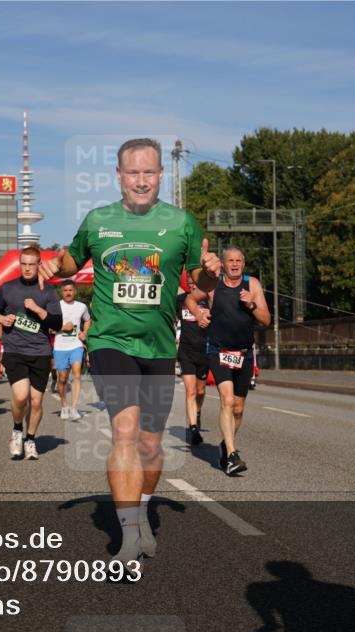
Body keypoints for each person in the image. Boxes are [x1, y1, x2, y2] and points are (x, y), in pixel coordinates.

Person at [40, 138, 221, 569]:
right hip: (109, 342)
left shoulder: (181, 223)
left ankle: (139, 511)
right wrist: (54, 265)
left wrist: (211, 276)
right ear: (118, 176)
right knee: (125, 431)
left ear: (161, 175)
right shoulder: (98, 220)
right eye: (132, 173)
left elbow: (199, 280)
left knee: (152, 446)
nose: (141, 181)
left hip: (159, 347)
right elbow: (72, 260)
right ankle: (127, 539)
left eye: (149, 172)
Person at [187, 246, 269, 475]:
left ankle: (227, 443)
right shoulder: (213, 284)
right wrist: (200, 314)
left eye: (239, 261)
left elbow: (266, 320)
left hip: (244, 353)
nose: (234, 264)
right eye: (230, 260)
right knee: (227, 400)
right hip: (218, 351)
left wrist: (251, 305)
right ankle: (232, 456)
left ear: (243, 264)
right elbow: (191, 300)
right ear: (222, 263)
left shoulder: (251, 284)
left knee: (239, 407)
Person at [0, 245, 63, 461]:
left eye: (32, 264)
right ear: (19, 264)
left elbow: (57, 323)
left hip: (40, 352)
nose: (27, 268)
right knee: (21, 396)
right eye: (23, 264)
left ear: (39, 265)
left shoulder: (48, 291)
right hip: (15, 350)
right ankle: (16, 431)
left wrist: (38, 309)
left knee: (37, 401)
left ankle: (30, 439)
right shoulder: (7, 288)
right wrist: (1, 319)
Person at [175, 274, 210, 445]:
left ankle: (197, 413)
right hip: (186, 350)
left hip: (204, 350)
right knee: (191, 391)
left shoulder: (208, 298)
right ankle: (193, 428)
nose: (190, 282)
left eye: (194, 279)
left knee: (201, 391)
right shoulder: (180, 299)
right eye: (188, 280)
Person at [53, 280, 91, 421]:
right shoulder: (56, 307)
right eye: (65, 290)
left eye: (70, 290)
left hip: (76, 345)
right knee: (62, 379)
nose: (68, 293)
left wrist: (85, 332)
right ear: (61, 292)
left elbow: (87, 320)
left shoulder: (82, 306)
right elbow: (49, 327)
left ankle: (74, 408)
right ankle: (64, 405)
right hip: (60, 347)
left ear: (75, 291)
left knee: (76, 374)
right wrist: (63, 328)